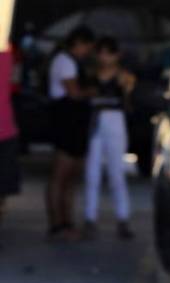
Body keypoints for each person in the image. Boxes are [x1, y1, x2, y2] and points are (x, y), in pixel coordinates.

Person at [83, 36, 135, 240]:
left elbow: (129, 96)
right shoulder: (91, 75)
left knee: (116, 172)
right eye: (101, 53)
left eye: (108, 53)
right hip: (96, 121)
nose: (105, 57)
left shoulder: (123, 76)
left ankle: (123, 218)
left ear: (117, 55)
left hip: (114, 120)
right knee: (92, 172)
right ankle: (90, 218)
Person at [45, 26, 95, 241]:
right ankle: (57, 224)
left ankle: (67, 222)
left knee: (71, 178)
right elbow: (73, 93)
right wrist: (91, 92)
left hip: (76, 125)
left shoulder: (74, 63)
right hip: (66, 123)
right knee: (60, 176)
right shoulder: (64, 61)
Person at [0, 47, 21, 233]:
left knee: (2, 188)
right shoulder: (9, 53)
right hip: (5, 130)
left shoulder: (9, 53)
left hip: (5, 131)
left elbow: (14, 84)